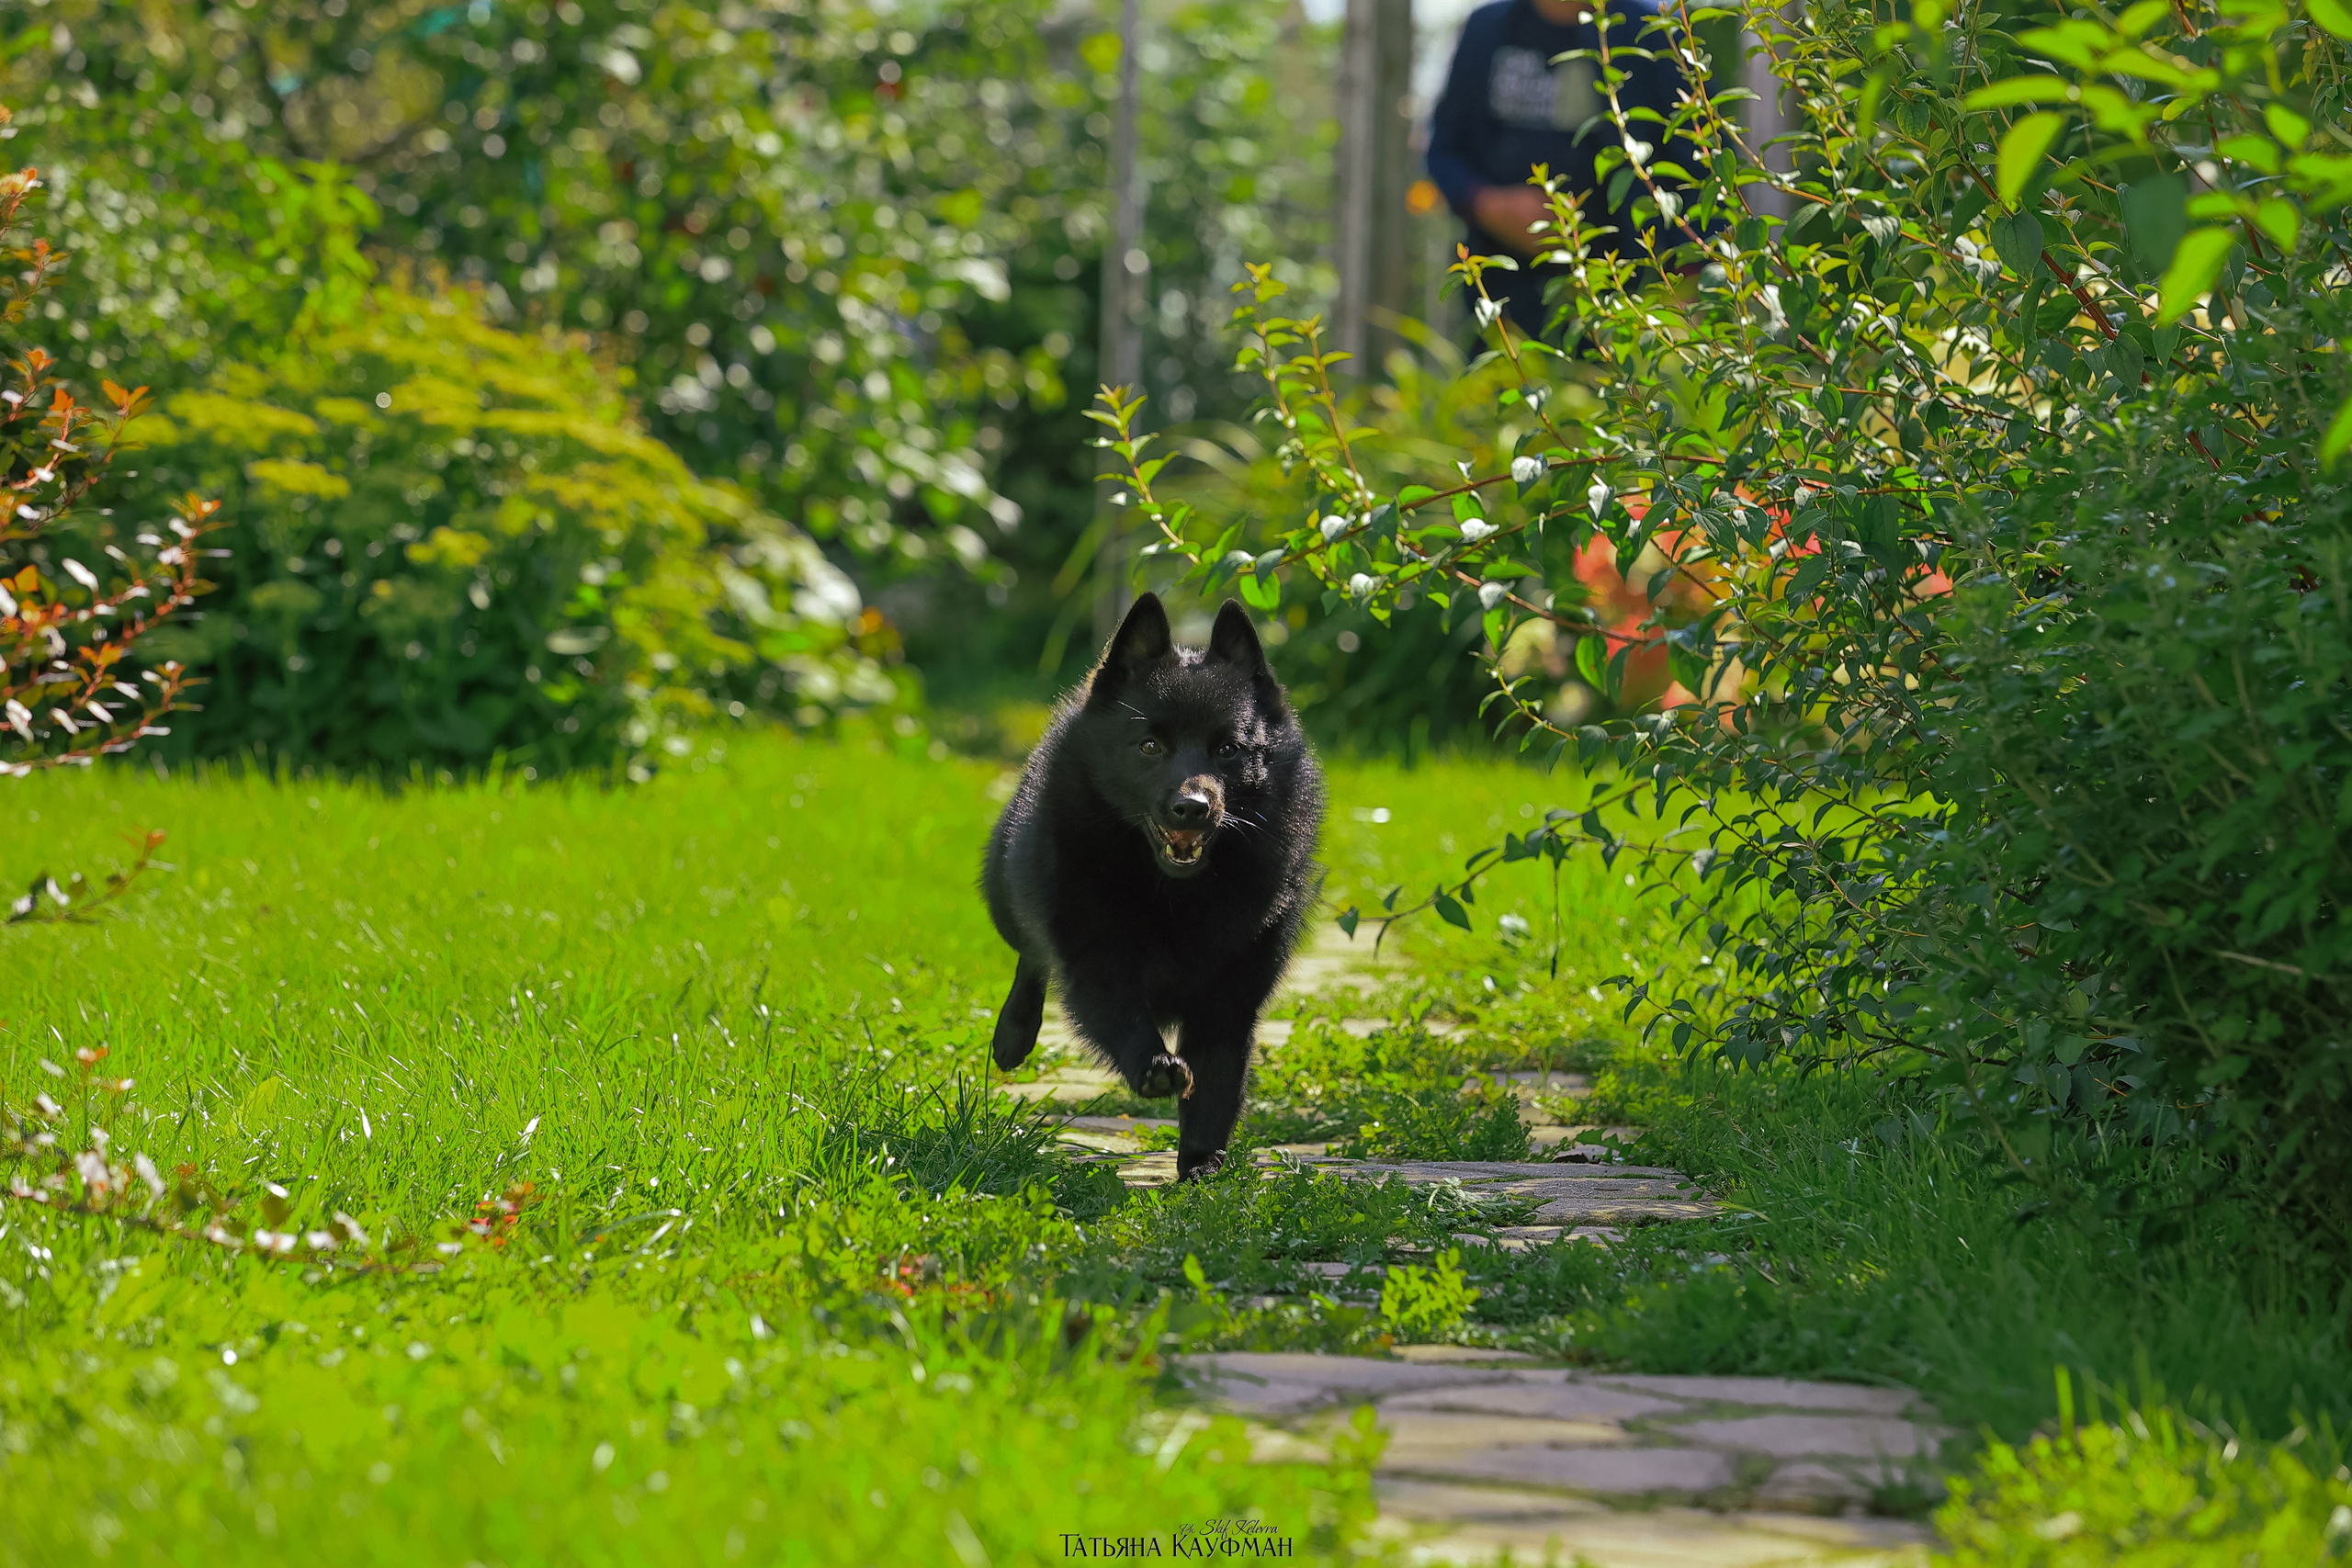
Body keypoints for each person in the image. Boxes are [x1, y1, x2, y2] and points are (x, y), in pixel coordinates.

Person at [1427, 0, 1699, 334]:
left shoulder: (1649, 31)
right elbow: (1444, 150)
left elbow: (1699, 158)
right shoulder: (1487, 28)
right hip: (1502, 300)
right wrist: (1489, 205)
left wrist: (1688, 280)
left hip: (1629, 301)